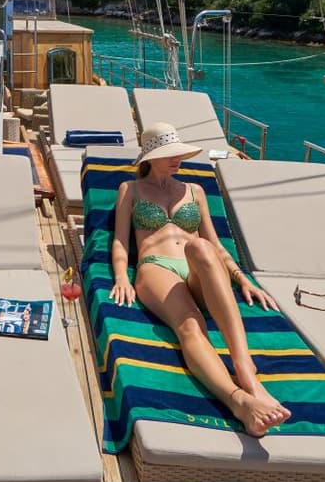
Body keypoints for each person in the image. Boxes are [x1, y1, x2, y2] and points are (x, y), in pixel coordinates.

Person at [109, 124, 292, 437]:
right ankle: (239, 402)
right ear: (150, 158)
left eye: (178, 153)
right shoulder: (131, 189)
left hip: (198, 268)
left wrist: (241, 279)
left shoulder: (195, 191)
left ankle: (246, 371)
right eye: (168, 154)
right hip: (157, 268)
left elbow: (216, 245)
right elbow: (121, 241)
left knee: (200, 247)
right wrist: (121, 277)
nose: (176, 159)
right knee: (191, 325)